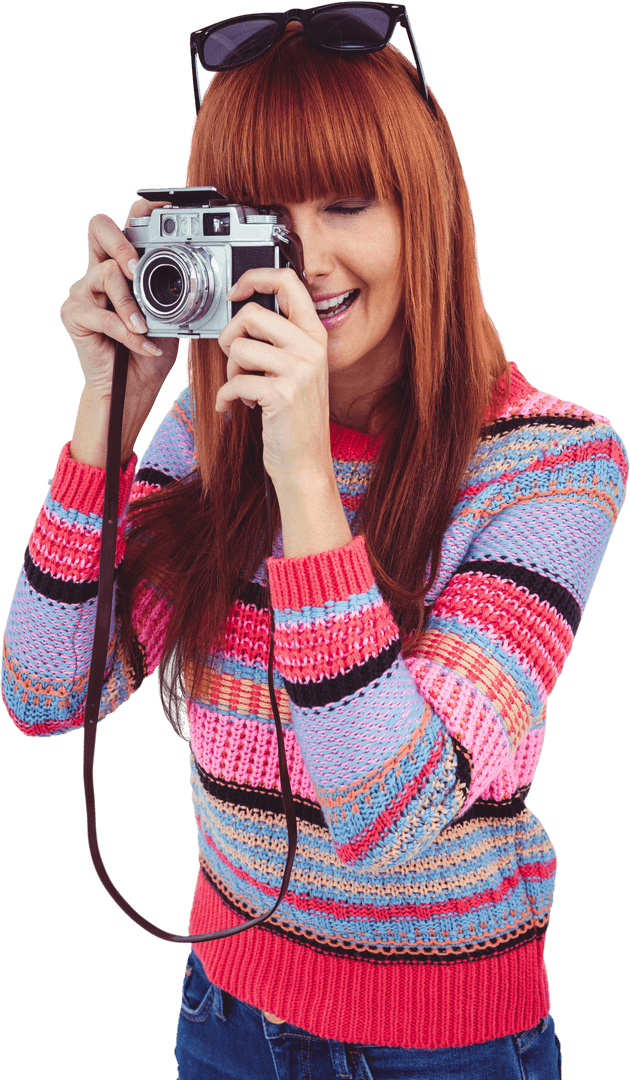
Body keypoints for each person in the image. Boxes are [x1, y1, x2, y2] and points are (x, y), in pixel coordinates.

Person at [2, 11, 627, 1080]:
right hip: (225, 1016)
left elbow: (390, 818)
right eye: (262, 219)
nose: (308, 261)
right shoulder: (210, 426)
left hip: (448, 1046)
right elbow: (44, 691)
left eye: (347, 202)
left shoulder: (555, 463)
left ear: (427, 206)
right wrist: (109, 415)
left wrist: (302, 475)